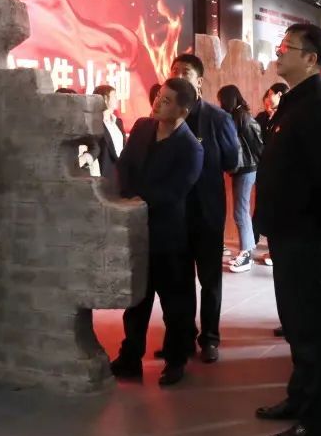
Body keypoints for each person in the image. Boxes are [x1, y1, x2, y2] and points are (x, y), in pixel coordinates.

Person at [253, 23, 321, 436]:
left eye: (285, 47)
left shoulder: (317, 105)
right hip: (288, 230)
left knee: (310, 329)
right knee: (295, 324)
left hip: (305, 233)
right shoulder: (296, 100)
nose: (278, 53)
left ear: (311, 58)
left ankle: (316, 420)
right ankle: (299, 397)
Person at [110, 78, 204, 387]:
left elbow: (175, 191)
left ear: (183, 110)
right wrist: (126, 195)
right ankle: (130, 357)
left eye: (166, 101)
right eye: (159, 97)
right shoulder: (142, 128)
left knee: (175, 304)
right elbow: (125, 165)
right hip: (137, 231)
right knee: (136, 300)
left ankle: (176, 360)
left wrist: (141, 199)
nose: (157, 103)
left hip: (168, 236)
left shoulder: (191, 147)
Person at [166, 54, 239, 364]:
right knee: (179, 280)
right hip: (174, 215)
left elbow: (232, 160)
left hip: (207, 212)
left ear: (199, 81)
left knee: (209, 280)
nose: (179, 75)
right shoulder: (164, 116)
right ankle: (182, 338)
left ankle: (209, 338)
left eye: (186, 71)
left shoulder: (217, 118)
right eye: (175, 71)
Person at [217, 85, 263, 273]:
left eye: (221, 100)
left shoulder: (243, 117)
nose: (220, 104)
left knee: (240, 211)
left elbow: (258, 147)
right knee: (240, 211)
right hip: (242, 169)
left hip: (247, 169)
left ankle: (246, 254)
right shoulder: (237, 116)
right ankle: (246, 251)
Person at [254, 83, 288, 268]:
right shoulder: (262, 117)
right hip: (264, 169)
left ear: (280, 95)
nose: (267, 99)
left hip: (280, 173)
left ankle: (274, 250)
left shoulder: (287, 117)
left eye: (270, 94)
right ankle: (266, 247)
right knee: (262, 207)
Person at [84, 84, 126, 186]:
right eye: (114, 96)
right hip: (104, 174)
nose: (117, 99)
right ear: (105, 99)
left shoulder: (118, 122)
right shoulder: (94, 124)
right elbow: (95, 148)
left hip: (121, 173)